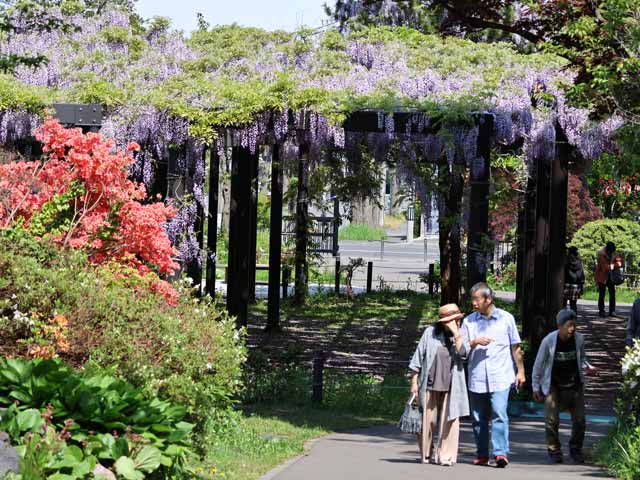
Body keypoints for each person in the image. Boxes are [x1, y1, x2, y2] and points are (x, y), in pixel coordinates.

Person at [461, 282, 525, 468]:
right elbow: (461, 349)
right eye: (472, 299)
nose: (473, 303)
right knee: (478, 418)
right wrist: (474, 342)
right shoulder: (469, 321)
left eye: (476, 299)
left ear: (488, 299)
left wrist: (520, 371)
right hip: (477, 376)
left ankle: (500, 453)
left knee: (499, 413)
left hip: (501, 376)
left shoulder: (506, 319)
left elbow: (516, 348)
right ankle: (482, 454)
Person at [532, 308, 597, 464]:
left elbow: (582, 359)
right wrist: (535, 387)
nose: (572, 329)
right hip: (553, 384)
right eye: (569, 325)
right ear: (559, 326)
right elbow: (538, 365)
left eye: (574, 325)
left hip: (575, 384)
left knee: (580, 420)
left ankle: (575, 448)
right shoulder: (549, 341)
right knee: (551, 420)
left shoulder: (579, 339)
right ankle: (554, 449)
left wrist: (589, 367)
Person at [409, 304, 470, 466]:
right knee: (427, 420)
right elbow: (418, 356)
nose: (453, 323)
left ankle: (445, 456)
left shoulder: (462, 333)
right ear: (442, 322)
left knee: (449, 420)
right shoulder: (430, 333)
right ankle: (426, 453)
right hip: (429, 382)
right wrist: (414, 381)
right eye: (449, 320)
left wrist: (457, 334)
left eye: (455, 319)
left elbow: (464, 355)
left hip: (452, 384)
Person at [595, 241, 616, 317]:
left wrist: (616, 264)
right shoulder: (602, 256)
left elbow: (615, 264)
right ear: (608, 250)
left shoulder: (612, 255)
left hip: (610, 277)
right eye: (611, 251)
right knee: (602, 294)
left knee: (612, 293)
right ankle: (601, 311)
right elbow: (604, 268)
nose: (612, 253)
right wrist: (612, 266)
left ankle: (612, 311)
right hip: (602, 277)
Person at [564, 247, 585, 314]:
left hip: (566, 284)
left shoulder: (566, 259)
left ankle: (563, 318)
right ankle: (573, 318)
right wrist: (581, 284)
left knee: (563, 303)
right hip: (576, 285)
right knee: (573, 304)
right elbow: (581, 273)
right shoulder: (579, 261)